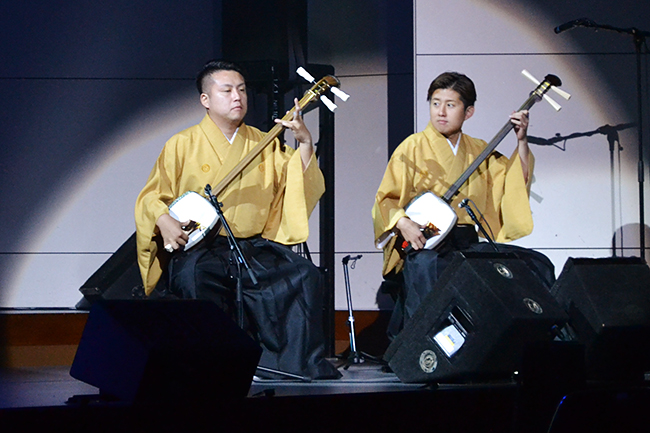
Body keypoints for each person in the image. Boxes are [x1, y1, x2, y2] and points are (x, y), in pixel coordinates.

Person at [135, 60, 340, 380]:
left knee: (303, 275)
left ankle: (282, 365)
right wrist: (163, 220)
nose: (237, 97)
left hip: (252, 247)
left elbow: (297, 183)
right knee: (194, 279)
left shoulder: (264, 141)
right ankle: (207, 366)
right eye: (227, 90)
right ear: (205, 100)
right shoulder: (181, 144)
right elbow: (152, 196)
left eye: (242, 90)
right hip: (202, 249)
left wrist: (304, 143)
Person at [372, 71, 554, 338]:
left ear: (468, 112)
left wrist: (521, 140)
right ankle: (425, 349)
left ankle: (527, 345)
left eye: (450, 104)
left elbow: (515, 179)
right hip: (429, 241)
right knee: (425, 267)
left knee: (536, 264)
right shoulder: (411, 147)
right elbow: (385, 199)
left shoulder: (480, 150)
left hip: (468, 242)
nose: (441, 112)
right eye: (435, 103)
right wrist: (403, 223)